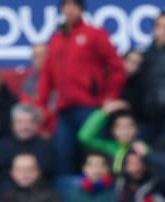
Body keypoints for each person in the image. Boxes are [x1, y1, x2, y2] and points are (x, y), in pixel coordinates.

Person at [36, 0, 125, 174]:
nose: (69, 10)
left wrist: (110, 97)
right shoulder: (56, 40)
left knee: (94, 153)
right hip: (64, 109)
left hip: (90, 106)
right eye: (66, 6)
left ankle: (101, 192)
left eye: (74, 5)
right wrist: (42, 104)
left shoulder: (95, 34)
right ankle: (68, 196)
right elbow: (47, 75)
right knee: (62, 153)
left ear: (81, 9)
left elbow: (116, 68)